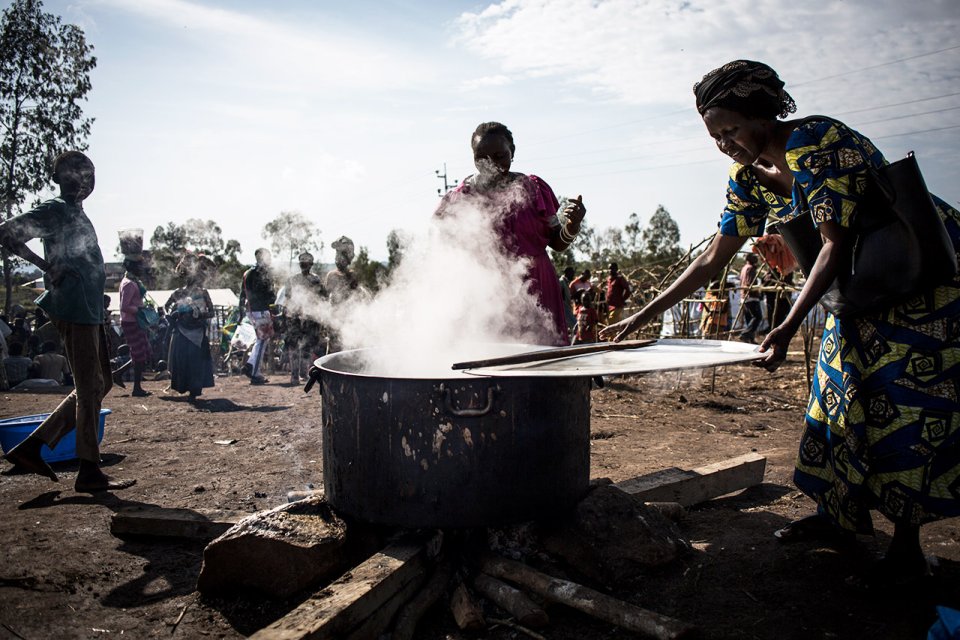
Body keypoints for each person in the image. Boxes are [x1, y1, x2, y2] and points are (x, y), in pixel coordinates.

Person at [602, 60, 960, 588]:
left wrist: (788, 325)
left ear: (762, 113)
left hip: (915, 285)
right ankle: (837, 518)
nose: (725, 143)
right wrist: (644, 314)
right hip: (858, 289)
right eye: (715, 135)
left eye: (731, 129)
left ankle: (907, 548)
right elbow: (711, 261)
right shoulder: (746, 177)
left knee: (903, 409)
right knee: (835, 395)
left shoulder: (817, 142)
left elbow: (834, 242)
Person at [0, 150, 134, 492]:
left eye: (88, 175)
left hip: (89, 309)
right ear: (59, 178)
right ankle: (88, 469)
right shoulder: (55, 209)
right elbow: (7, 233)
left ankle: (32, 446)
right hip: (72, 306)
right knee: (90, 387)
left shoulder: (76, 212)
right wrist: (48, 267)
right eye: (74, 174)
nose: (82, 181)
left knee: (100, 384)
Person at [436, 122, 586, 346]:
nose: (490, 165)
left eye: (498, 156)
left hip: (538, 288)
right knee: (494, 362)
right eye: (481, 158)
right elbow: (444, 248)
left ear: (512, 152)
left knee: (541, 363)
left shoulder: (534, 189)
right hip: (486, 293)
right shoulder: (460, 199)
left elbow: (557, 242)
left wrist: (572, 226)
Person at [164, 254, 216, 400]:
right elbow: (165, 307)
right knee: (184, 364)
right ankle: (186, 388)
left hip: (198, 334)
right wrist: (172, 314)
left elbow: (211, 312)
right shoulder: (178, 293)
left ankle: (194, 390)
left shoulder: (203, 293)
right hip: (182, 333)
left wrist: (200, 314)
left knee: (196, 364)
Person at [285, 251, 326, 383]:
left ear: (311, 264)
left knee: (308, 346)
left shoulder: (316, 280)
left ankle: (303, 373)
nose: (305, 264)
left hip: (310, 317)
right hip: (296, 316)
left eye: (307, 262)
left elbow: (321, 298)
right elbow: (288, 297)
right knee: (295, 347)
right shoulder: (292, 280)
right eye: (302, 261)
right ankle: (294, 375)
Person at [238, 248, 276, 384]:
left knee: (261, 340)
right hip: (261, 310)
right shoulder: (263, 273)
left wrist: (241, 311)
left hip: (251, 310)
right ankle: (255, 373)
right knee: (262, 340)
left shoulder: (247, 272)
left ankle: (250, 365)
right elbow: (269, 294)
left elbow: (242, 294)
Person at [119, 257, 152, 397]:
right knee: (139, 354)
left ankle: (119, 374)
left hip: (135, 321)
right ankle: (136, 388)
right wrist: (139, 309)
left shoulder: (131, 282)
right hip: (131, 321)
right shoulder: (129, 284)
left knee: (141, 353)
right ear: (132, 267)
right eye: (139, 266)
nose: (141, 269)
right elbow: (124, 306)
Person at [324, 237, 358, 354]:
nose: (338, 257)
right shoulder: (331, 275)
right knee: (333, 355)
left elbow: (358, 299)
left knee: (349, 353)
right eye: (337, 253)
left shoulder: (353, 276)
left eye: (342, 253)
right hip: (334, 321)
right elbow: (325, 298)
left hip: (350, 322)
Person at [737, 253, 762, 342]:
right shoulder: (750, 268)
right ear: (751, 259)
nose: (756, 259)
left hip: (744, 296)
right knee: (757, 317)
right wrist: (757, 290)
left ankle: (750, 339)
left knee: (749, 318)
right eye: (755, 258)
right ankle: (745, 334)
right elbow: (749, 283)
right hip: (751, 296)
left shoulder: (744, 268)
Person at [559, 266, 577, 336]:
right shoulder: (561, 282)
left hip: (568, 309)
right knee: (575, 326)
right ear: (567, 273)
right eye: (572, 273)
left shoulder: (566, 282)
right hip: (564, 309)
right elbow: (560, 297)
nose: (573, 275)